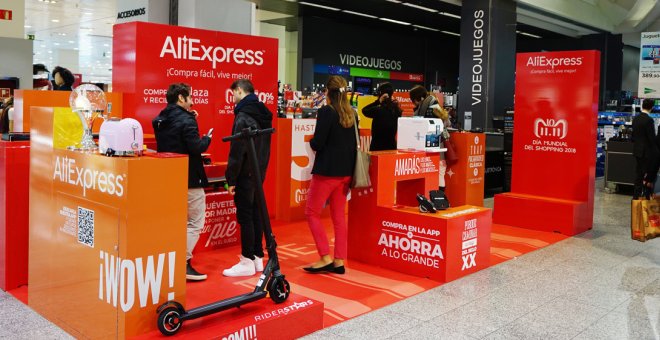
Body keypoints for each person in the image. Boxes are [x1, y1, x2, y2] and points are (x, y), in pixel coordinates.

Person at [152, 83, 212, 281]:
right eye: (190, 97)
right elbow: (195, 147)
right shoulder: (187, 121)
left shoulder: (161, 118)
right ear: (181, 98)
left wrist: (190, 118)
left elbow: (174, 138)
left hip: (168, 177)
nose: (192, 101)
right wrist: (206, 138)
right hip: (189, 178)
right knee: (195, 221)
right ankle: (182, 263)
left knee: (175, 221)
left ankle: (170, 262)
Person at [303, 75, 357, 275]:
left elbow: (318, 143)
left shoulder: (327, 112)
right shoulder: (352, 114)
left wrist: (310, 142)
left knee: (311, 212)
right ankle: (339, 260)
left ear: (328, 92)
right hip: (345, 174)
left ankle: (325, 256)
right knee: (338, 218)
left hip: (327, 173)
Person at [223, 79, 274, 277]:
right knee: (255, 213)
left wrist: (231, 178)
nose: (232, 98)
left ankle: (246, 260)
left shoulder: (243, 116)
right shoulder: (262, 113)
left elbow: (237, 151)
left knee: (246, 215)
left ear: (239, 91)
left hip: (245, 173)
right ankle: (256, 257)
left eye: (233, 94)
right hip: (259, 170)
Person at [410, 85, 451, 192]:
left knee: (438, 172)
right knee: (439, 172)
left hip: (431, 144)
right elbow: (446, 121)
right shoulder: (432, 104)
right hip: (434, 143)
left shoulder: (431, 105)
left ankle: (438, 199)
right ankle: (438, 199)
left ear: (416, 99)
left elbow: (445, 121)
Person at [362, 82, 402, 151]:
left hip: (377, 148)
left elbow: (364, 110)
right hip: (391, 147)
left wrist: (378, 101)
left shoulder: (378, 110)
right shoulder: (397, 111)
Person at [632, 98, 659, 198]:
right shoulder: (649, 120)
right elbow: (651, 138)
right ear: (651, 108)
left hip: (637, 151)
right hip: (647, 153)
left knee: (639, 175)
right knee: (648, 175)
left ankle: (636, 196)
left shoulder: (636, 119)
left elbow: (633, 136)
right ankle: (646, 197)